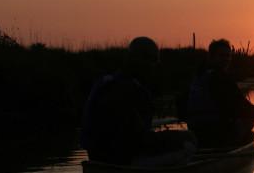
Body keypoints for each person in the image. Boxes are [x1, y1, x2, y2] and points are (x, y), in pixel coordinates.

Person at [81, 36, 195, 166]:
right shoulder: (132, 90)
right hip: (121, 161)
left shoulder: (104, 81)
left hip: (97, 158)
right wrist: (176, 137)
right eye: (153, 63)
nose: (154, 69)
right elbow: (138, 140)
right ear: (143, 61)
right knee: (188, 143)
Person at [186, 38, 254, 146]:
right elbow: (242, 107)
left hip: (195, 132)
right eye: (221, 56)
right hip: (215, 133)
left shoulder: (198, 76)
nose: (226, 59)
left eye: (228, 56)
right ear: (211, 57)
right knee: (249, 120)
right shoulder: (221, 79)